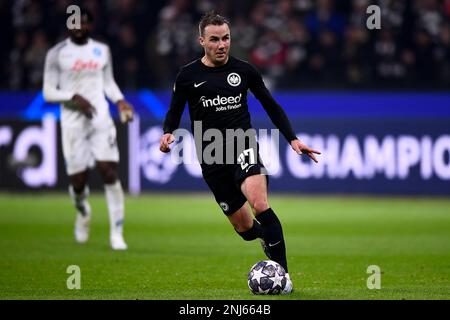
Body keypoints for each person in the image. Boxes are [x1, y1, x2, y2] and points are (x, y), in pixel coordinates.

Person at [159, 11, 320, 294]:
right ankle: (265, 237)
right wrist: (168, 131)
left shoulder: (245, 71)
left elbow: (271, 105)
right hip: (210, 155)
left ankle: (284, 276)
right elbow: (174, 111)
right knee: (245, 229)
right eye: (214, 40)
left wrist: (292, 139)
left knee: (260, 205)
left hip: (241, 145)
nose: (222, 45)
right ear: (201, 41)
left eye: (226, 38)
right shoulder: (188, 75)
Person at [42, 9, 134, 250]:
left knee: (109, 171)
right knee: (78, 182)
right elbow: (48, 92)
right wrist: (73, 97)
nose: (78, 26)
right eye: (74, 22)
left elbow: (108, 82)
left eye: (83, 22)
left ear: (91, 25)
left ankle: (117, 233)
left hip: (100, 118)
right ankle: (83, 212)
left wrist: (120, 100)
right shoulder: (56, 54)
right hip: (72, 121)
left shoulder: (101, 50)